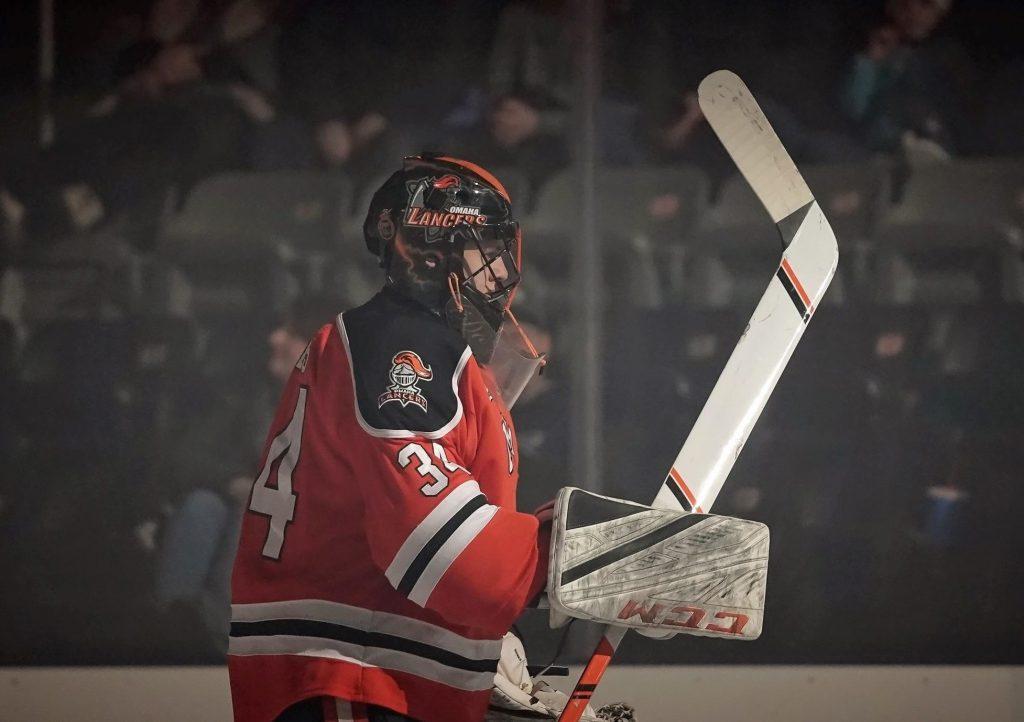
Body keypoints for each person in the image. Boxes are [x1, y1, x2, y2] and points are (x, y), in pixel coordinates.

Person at [228, 155, 551, 722]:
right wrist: (563, 549)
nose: (500, 270)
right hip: (356, 672)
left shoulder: (421, 348)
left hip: (365, 668)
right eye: (486, 247)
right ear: (436, 249)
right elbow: (444, 553)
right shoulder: (402, 345)